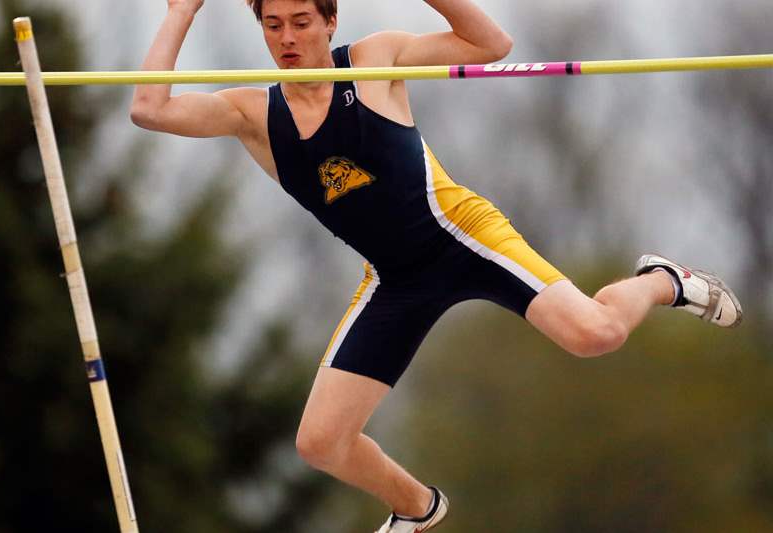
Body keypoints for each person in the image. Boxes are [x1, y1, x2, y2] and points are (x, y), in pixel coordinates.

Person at [131, 0, 743, 530]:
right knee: (320, 442)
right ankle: (418, 509)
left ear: (330, 19)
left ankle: (663, 281)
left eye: (300, 22)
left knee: (596, 335)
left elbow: (491, 45)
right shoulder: (253, 115)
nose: (288, 39)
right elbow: (149, 109)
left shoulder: (374, 60)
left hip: (463, 237)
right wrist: (181, 12)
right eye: (273, 25)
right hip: (394, 279)